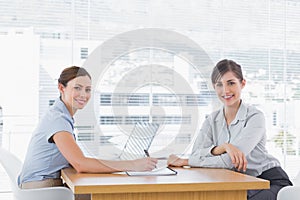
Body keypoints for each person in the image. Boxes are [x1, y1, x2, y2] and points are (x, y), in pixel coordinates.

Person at [168, 59, 292, 200]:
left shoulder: (255, 117)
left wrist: (186, 161)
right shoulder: (211, 120)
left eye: (231, 83)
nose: (225, 90)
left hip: (268, 181)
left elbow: (229, 162)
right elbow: (196, 153)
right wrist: (223, 147)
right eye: (219, 85)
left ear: (242, 84)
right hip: (239, 182)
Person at [18, 66, 157, 190]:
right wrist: (133, 165)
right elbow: (80, 164)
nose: (83, 95)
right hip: (41, 188)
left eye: (88, 89)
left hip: (45, 185)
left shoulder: (61, 115)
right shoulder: (58, 119)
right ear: (61, 88)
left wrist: (109, 162)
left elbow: (77, 160)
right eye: (77, 88)